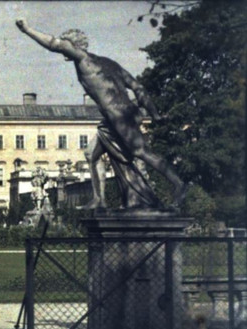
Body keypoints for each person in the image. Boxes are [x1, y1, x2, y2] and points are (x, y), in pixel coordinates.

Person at [16, 19, 187, 210]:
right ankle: (99, 199)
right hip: (117, 116)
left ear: (74, 45)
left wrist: (27, 30)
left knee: (141, 152)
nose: (64, 50)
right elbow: (138, 87)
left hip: (118, 117)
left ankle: (178, 184)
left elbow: (53, 44)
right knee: (91, 154)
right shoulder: (109, 64)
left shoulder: (83, 59)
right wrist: (154, 114)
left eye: (67, 44)